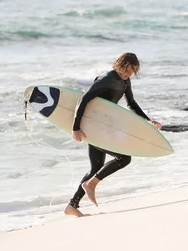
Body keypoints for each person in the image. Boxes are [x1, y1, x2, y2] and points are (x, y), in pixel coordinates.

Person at [64, 53, 161, 217]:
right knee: (124, 158)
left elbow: (132, 103)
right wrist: (76, 127)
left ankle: (71, 206)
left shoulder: (124, 81)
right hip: (94, 127)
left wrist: (147, 121)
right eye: (127, 71)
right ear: (120, 65)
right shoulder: (107, 78)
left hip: (102, 127)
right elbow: (83, 99)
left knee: (96, 167)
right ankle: (91, 185)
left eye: (131, 72)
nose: (128, 75)